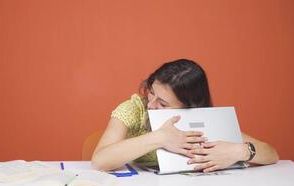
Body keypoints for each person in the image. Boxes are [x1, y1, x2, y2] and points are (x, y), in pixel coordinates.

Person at [91, 58, 279, 172]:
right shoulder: (134, 109)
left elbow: (271, 154)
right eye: (151, 92)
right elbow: (100, 161)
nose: (152, 104)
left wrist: (237, 151)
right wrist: (159, 138)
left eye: (163, 104)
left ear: (188, 108)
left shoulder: (201, 119)